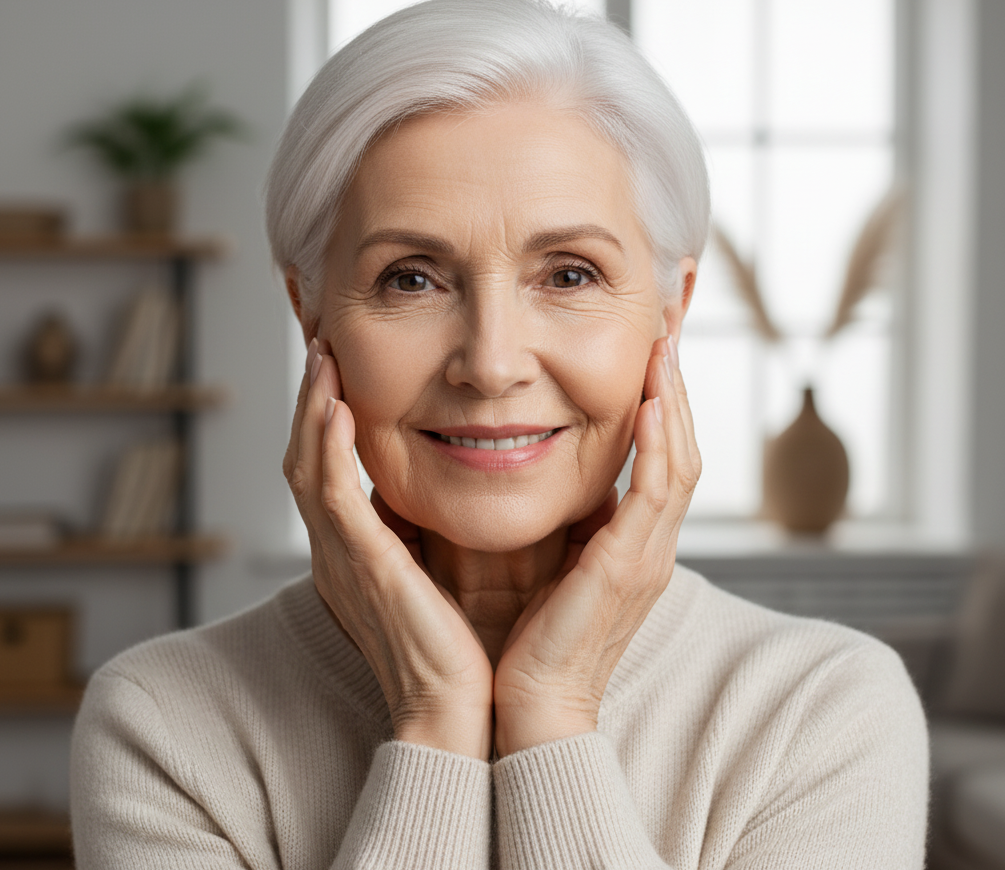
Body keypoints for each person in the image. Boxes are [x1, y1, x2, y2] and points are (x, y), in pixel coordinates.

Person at [70, 1, 929, 867]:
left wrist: (552, 709)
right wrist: (433, 715)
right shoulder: (162, 722)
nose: (490, 363)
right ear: (310, 312)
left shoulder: (821, 711)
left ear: (670, 311)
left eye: (569, 275)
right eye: (410, 278)